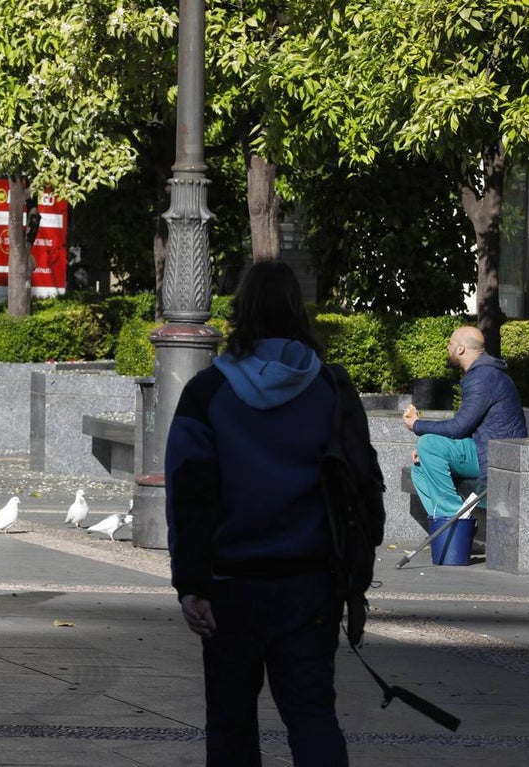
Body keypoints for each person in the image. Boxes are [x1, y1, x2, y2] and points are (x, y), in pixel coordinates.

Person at [165, 261, 371, 766]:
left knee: (230, 724)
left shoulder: (208, 392)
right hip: (311, 583)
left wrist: (190, 583)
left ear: (241, 311)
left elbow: (190, 495)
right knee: (313, 717)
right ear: (299, 312)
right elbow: (361, 485)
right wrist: (353, 578)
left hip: (230, 584)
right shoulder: (331, 390)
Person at [402, 325, 527, 518]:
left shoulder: (482, 378)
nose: (448, 348)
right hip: (485, 447)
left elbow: (458, 427)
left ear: (460, 349)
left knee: (428, 443)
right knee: (419, 471)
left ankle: (455, 517)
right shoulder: (484, 373)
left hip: (497, 455)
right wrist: (430, 451)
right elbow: (467, 426)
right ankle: (444, 523)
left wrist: (417, 425)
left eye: (450, 344)